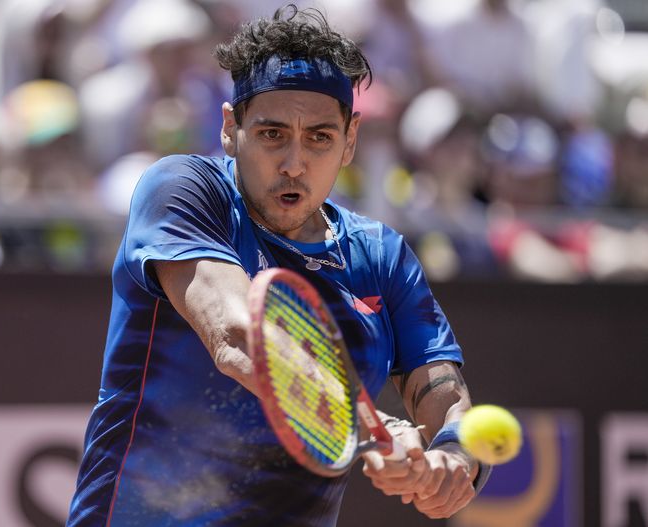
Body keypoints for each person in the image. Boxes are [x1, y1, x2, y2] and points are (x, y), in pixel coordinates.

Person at [67, 5, 490, 526]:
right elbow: (238, 336)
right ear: (230, 129)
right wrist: (372, 428)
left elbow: (445, 396)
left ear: (349, 140)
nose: (294, 162)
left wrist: (454, 460)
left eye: (319, 137)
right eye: (271, 134)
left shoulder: (381, 256)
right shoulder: (182, 190)